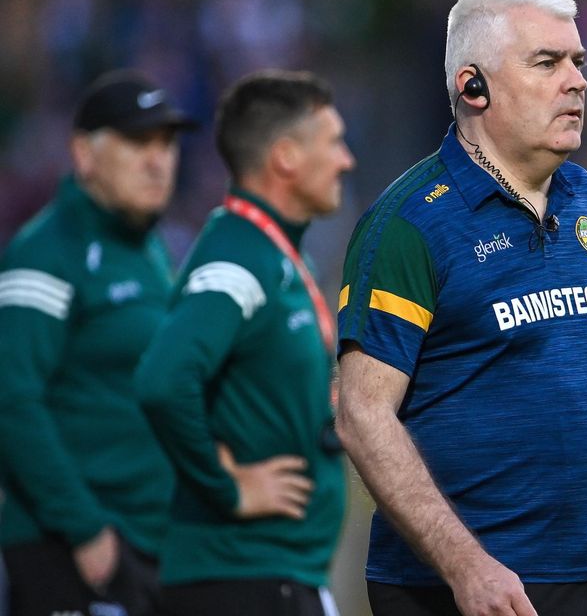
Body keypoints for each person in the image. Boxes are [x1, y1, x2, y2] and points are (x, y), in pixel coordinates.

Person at [335, 0, 587, 615]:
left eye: (578, 62)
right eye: (547, 62)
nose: (577, 81)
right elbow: (361, 415)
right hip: (469, 590)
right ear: (473, 87)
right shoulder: (409, 225)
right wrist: (468, 569)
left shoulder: (583, 198)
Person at [135, 69, 354, 616]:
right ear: (286, 157)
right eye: (333, 142)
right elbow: (163, 380)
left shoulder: (277, 254)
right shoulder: (237, 258)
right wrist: (228, 487)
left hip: (275, 575)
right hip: (241, 578)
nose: (346, 160)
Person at [0, 69, 196, 616]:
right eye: (137, 142)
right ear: (84, 154)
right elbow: (11, 399)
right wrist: (84, 530)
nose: (159, 160)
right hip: (72, 549)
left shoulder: (155, 252)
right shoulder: (45, 250)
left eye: (167, 143)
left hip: (148, 546)